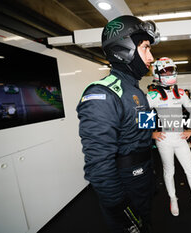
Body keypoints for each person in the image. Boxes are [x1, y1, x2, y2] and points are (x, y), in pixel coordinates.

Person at [76, 15, 159, 233]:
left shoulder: (135, 90)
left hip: (144, 178)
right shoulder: (102, 93)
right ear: (125, 49)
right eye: (146, 48)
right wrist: (121, 208)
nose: (151, 57)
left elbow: (142, 128)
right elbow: (98, 166)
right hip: (126, 187)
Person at [147, 57, 191, 216]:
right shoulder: (152, 95)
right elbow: (143, 113)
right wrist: (150, 133)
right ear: (157, 73)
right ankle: (173, 198)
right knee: (169, 171)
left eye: (171, 70)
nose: (170, 73)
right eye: (166, 71)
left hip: (180, 138)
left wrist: (190, 128)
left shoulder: (181, 92)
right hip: (164, 140)